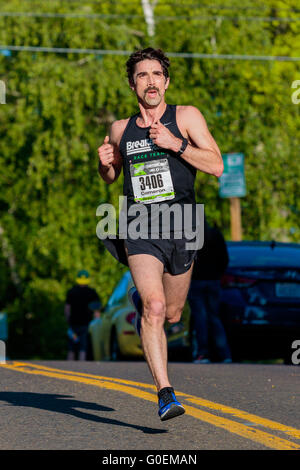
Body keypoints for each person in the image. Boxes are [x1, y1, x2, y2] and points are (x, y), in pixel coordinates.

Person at [97, 48, 223, 420]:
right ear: (132, 84)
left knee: (171, 313)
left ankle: (146, 302)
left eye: (156, 74)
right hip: (140, 226)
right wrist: (104, 165)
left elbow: (215, 165)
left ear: (166, 82)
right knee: (153, 308)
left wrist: (175, 144)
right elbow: (111, 176)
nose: (150, 81)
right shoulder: (121, 129)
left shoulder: (186, 118)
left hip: (182, 225)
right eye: (142, 75)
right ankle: (165, 393)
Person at [188, 221, 232, 364]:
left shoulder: (191, 235)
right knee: (214, 317)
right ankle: (224, 354)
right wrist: (218, 275)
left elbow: (185, 259)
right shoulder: (215, 234)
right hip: (213, 281)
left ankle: (203, 353)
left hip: (196, 281)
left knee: (200, 317)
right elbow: (225, 259)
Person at [64, 270, 101, 361]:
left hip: (73, 324)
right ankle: (81, 368)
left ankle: (68, 368)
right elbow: (97, 311)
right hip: (86, 325)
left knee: (71, 348)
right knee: (83, 348)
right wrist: (97, 323)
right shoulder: (92, 292)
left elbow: (67, 309)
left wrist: (68, 320)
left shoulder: (71, 292)